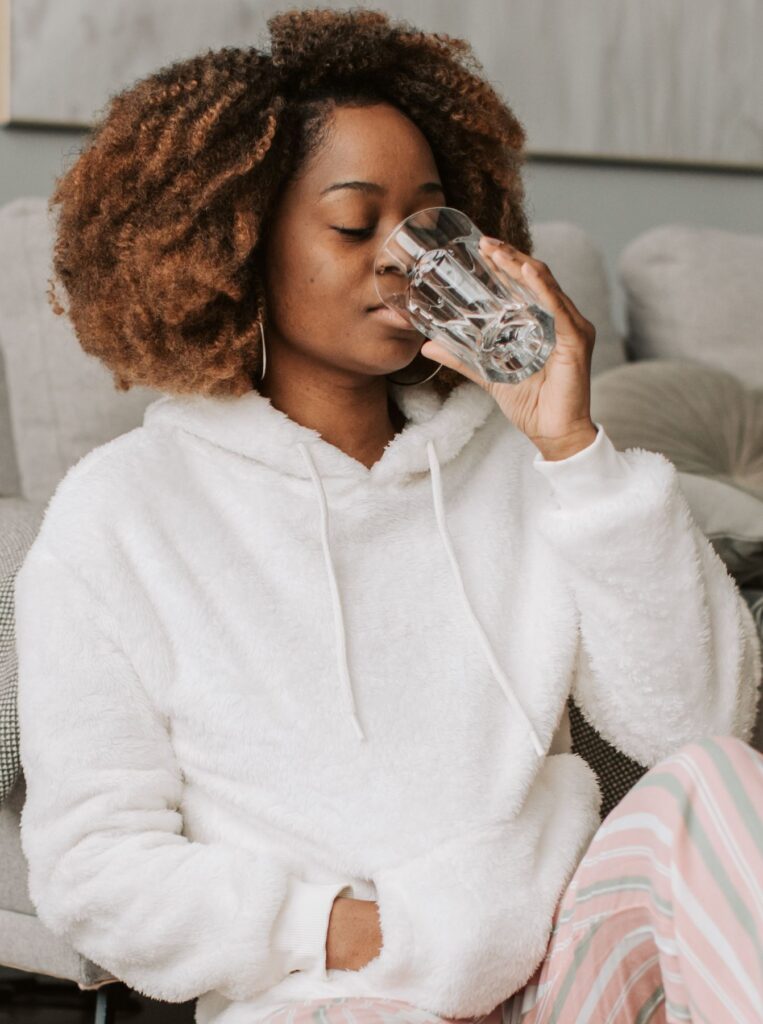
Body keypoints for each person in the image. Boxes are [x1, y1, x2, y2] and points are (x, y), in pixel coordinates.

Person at [14, 7, 762, 1024]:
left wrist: (573, 449)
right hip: (336, 994)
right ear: (238, 243)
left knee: (715, 783)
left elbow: (696, 723)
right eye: (355, 225)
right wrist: (356, 930)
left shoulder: (517, 463)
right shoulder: (123, 516)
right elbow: (93, 866)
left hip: (561, 964)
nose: (406, 261)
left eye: (429, 221)